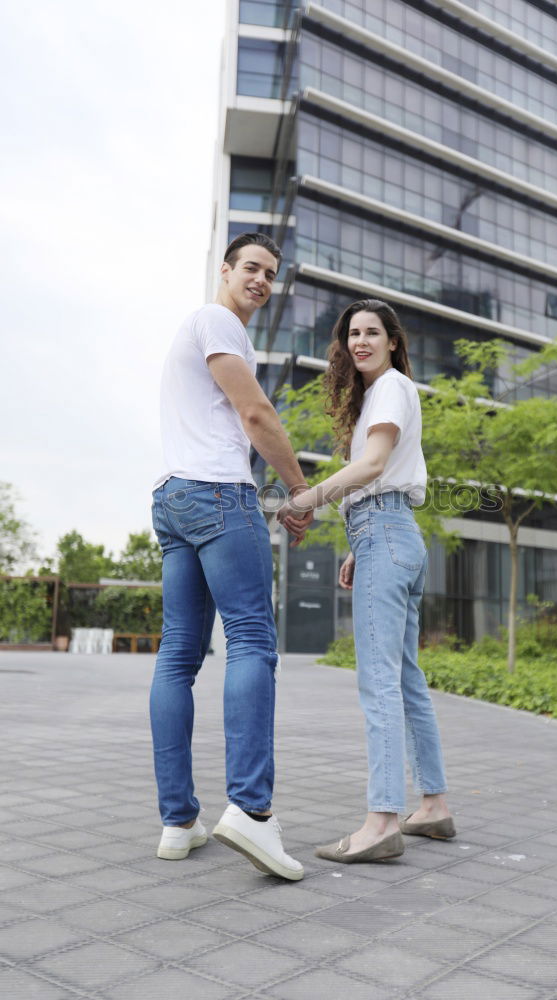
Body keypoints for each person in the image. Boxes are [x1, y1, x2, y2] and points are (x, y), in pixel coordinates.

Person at [150, 232, 312, 880]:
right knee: (251, 641)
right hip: (217, 493)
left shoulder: (197, 328)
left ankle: (177, 820)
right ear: (225, 269)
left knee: (179, 656)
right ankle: (252, 811)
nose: (261, 280)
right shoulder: (217, 321)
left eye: (270, 273)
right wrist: (300, 489)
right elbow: (256, 415)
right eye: (251, 267)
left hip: (172, 496)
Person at [278, 299, 455, 863]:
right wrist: (360, 543)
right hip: (389, 533)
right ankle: (433, 805)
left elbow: (374, 465)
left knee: (379, 681)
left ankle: (381, 821)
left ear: (393, 341)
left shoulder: (392, 388)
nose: (360, 341)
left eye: (372, 332)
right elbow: (383, 479)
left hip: (386, 531)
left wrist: (306, 498)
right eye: (352, 333)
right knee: (404, 679)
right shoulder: (385, 392)